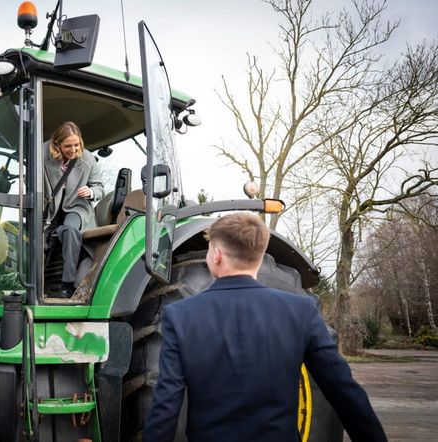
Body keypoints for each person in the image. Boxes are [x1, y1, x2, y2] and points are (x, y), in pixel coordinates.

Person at [143, 213, 386, 442]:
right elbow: (344, 393)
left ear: (216, 255)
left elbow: (166, 407)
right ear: (260, 256)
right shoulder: (301, 311)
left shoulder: (181, 315)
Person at [44, 121, 103, 298]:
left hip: (77, 206)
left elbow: (99, 187)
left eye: (76, 145)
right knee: (37, 237)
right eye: (68, 146)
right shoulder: (43, 155)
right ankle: (38, 285)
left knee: (69, 230)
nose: (73, 150)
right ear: (57, 144)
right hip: (51, 207)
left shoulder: (87, 159)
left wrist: (91, 191)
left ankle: (67, 283)